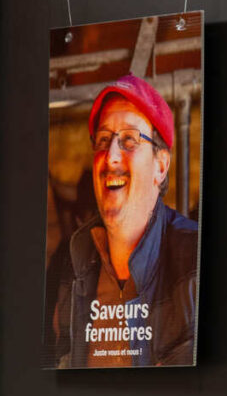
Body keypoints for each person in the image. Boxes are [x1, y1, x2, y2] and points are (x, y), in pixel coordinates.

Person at [53, 74, 199, 367]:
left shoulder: (195, 257)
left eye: (129, 140)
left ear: (160, 165)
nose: (111, 156)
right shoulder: (75, 263)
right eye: (103, 140)